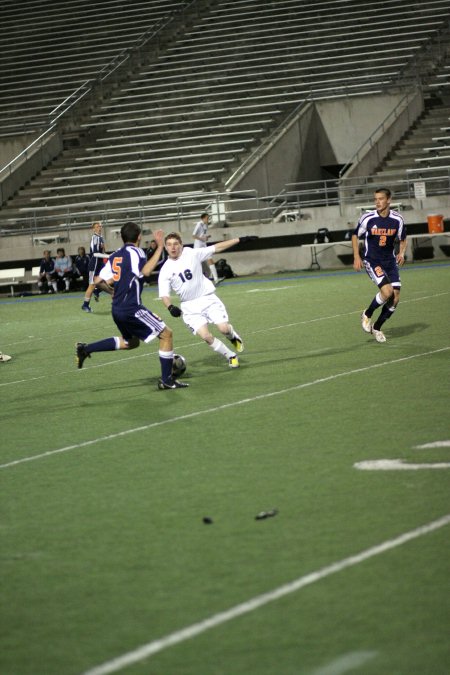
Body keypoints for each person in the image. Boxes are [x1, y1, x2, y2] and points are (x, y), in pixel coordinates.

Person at [76, 222, 188, 390]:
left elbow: (98, 281)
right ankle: (167, 380)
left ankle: (85, 348)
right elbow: (146, 271)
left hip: (117, 309)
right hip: (131, 308)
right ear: (139, 237)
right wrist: (159, 247)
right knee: (166, 334)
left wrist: (112, 292)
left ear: (122, 237)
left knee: (131, 342)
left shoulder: (115, 255)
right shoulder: (136, 252)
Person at [158, 232, 256, 368]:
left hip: (207, 298)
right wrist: (170, 307)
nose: (172, 247)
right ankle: (231, 356)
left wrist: (240, 239)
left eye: (175, 244)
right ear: (165, 247)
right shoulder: (165, 270)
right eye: (169, 245)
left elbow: (216, 248)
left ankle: (232, 335)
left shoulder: (191, 253)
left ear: (181, 245)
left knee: (223, 329)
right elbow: (164, 294)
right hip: (189, 307)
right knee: (206, 336)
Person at [352, 187, 407, 343]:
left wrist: (401, 253)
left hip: (390, 261)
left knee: (395, 298)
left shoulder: (398, 219)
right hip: (372, 260)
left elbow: (403, 238)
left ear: (389, 200)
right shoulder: (368, 218)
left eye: (381, 199)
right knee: (387, 291)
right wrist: (357, 256)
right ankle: (367, 314)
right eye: (375, 199)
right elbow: (355, 235)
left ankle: (377, 328)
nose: (377, 202)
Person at [192, 212, 224, 285]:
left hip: (204, 245)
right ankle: (194, 281)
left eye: (208, 218)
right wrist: (202, 238)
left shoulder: (205, 225)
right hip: (198, 246)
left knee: (210, 259)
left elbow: (203, 235)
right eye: (207, 218)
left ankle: (216, 279)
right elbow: (193, 236)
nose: (208, 219)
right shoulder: (199, 224)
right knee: (196, 263)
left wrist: (206, 237)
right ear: (203, 218)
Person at [81, 221, 106, 312]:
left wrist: (106, 255)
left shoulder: (101, 238)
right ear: (94, 229)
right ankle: (85, 305)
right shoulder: (95, 238)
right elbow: (95, 253)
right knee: (91, 285)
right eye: (97, 226)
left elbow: (102, 252)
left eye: (100, 226)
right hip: (94, 264)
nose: (99, 227)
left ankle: (97, 290)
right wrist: (108, 256)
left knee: (107, 279)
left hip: (100, 263)